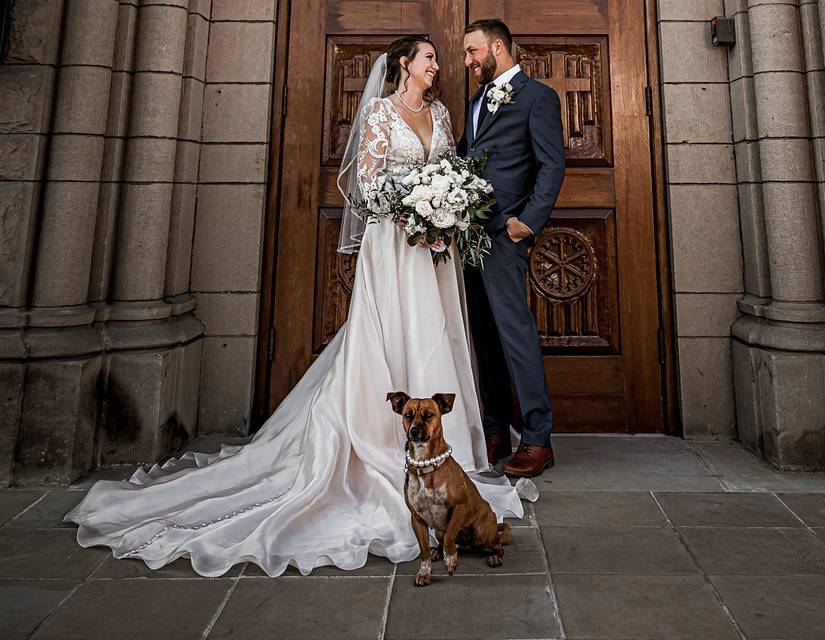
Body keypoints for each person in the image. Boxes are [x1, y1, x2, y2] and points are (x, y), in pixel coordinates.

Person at [64, 36, 534, 578]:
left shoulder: (443, 113)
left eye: (437, 58)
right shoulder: (382, 113)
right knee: (389, 334)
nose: (437, 64)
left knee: (434, 332)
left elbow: (449, 168)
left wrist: (444, 203)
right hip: (394, 243)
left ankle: (443, 454)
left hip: (433, 248)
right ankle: (378, 445)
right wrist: (413, 203)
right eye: (428, 57)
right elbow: (367, 182)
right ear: (405, 64)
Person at [458, 19, 566, 478]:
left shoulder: (538, 97)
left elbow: (551, 165)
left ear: (497, 48)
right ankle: (496, 427)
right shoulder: (475, 101)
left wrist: (526, 223)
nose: (466, 61)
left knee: (515, 333)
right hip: (468, 234)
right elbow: (467, 154)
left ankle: (538, 439)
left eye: (471, 51)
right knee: (484, 335)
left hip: (505, 234)